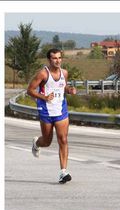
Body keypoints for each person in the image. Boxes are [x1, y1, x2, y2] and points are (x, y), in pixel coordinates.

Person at [27, 48, 77, 184]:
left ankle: (63, 172)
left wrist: (69, 89)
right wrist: (44, 97)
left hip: (61, 110)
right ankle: (37, 143)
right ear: (49, 60)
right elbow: (30, 90)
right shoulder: (43, 74)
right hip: (46, 111)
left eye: (60, 58)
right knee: (47, 141)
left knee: (63, 140)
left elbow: (63, 86)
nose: (58, 61)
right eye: (54, 58)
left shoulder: (64, 73)